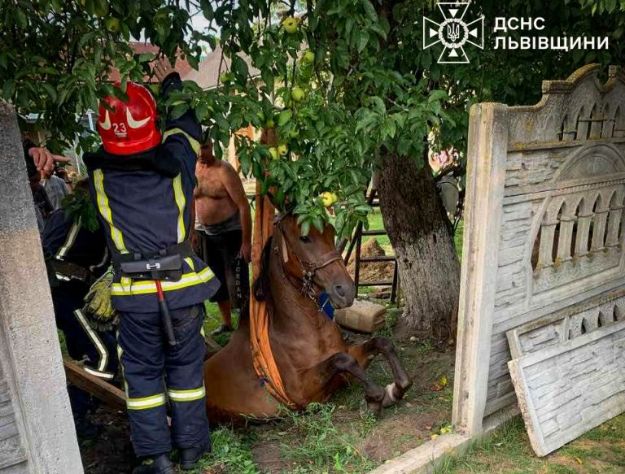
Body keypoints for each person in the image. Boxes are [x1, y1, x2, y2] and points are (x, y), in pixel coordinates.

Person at [83, 58, 218, 474]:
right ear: (152, 129)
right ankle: (192, 451)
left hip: (135, 301)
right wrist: (171, 83)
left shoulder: (100, 179)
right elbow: (186, 127)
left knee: (142, 381)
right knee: (186, 372)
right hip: (181, 290)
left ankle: (157, 460)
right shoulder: (177, 164)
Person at [41, 179, 118, 437]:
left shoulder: (91, 218)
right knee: (104, 355)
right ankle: (73, 412)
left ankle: (80, 399)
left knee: (85, 348)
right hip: (64, 294)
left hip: (77, 293)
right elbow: (47, 257)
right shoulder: (71, 216)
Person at [194, 136, 252, 334]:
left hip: (230, 233)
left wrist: (246, 242)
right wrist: (192, 230)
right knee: (215, 282)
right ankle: (226, 323)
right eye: (200, 148)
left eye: (206, 148)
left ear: (213, 146)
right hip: (204, 233)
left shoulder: (224, 170)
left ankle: (247, 326)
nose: (203, 153)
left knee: (236, 282)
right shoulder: (191, 169)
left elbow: (243, 205)